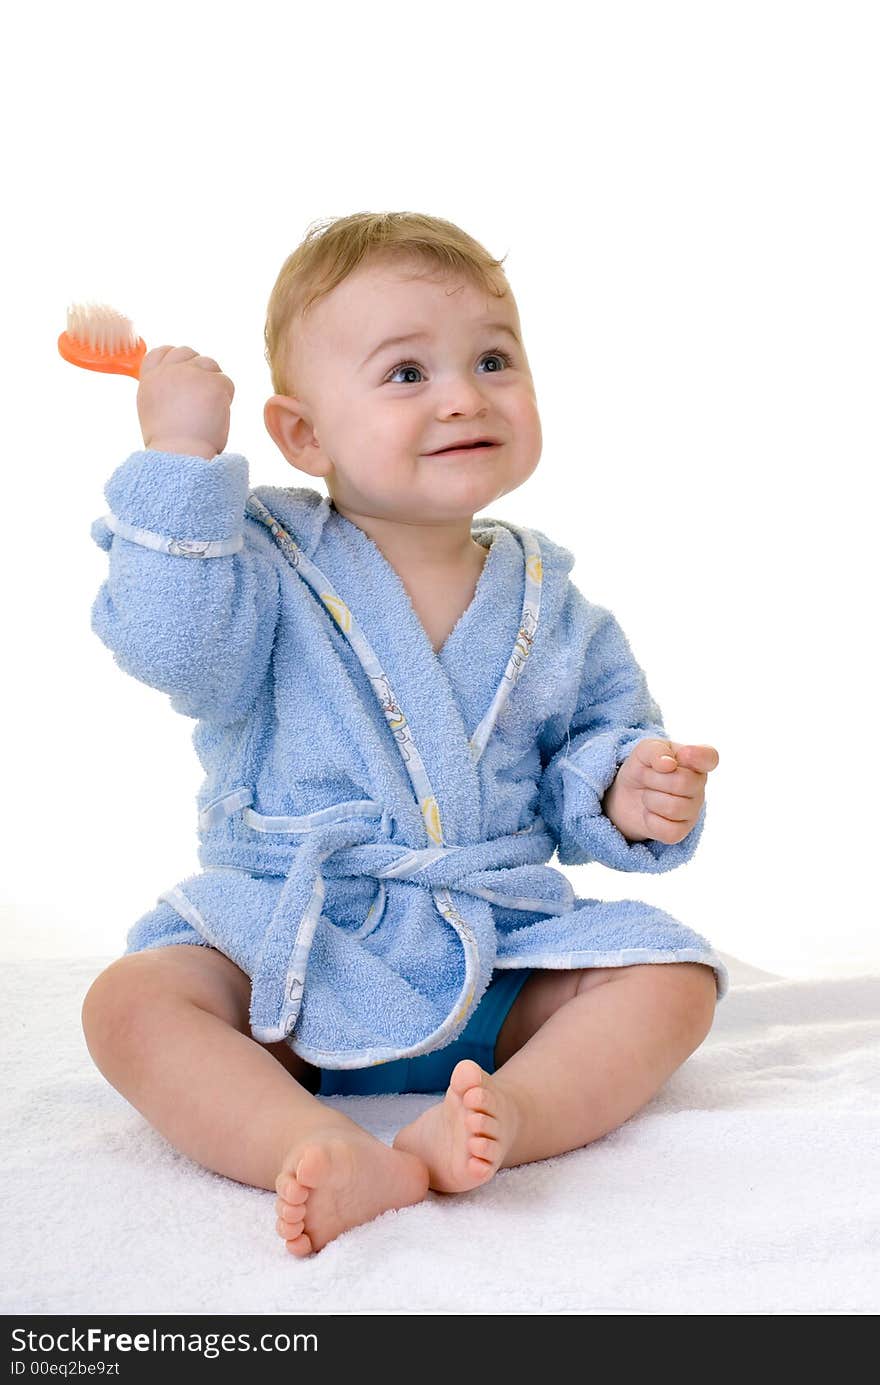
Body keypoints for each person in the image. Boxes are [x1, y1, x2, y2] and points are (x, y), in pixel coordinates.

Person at [81, 211, 725, 1258]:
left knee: (670, 978)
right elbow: (172, 646)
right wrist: (181, 458)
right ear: (301, 435)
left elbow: (598, 744)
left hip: (492, 947)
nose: (465, 393)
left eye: (490, 358)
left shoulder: (551, 606)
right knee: (134, 999)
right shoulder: (254, 561)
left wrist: (626, 785)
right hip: (291, 951)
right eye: (405, 373)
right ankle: (312, 1139)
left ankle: (507, 1115)